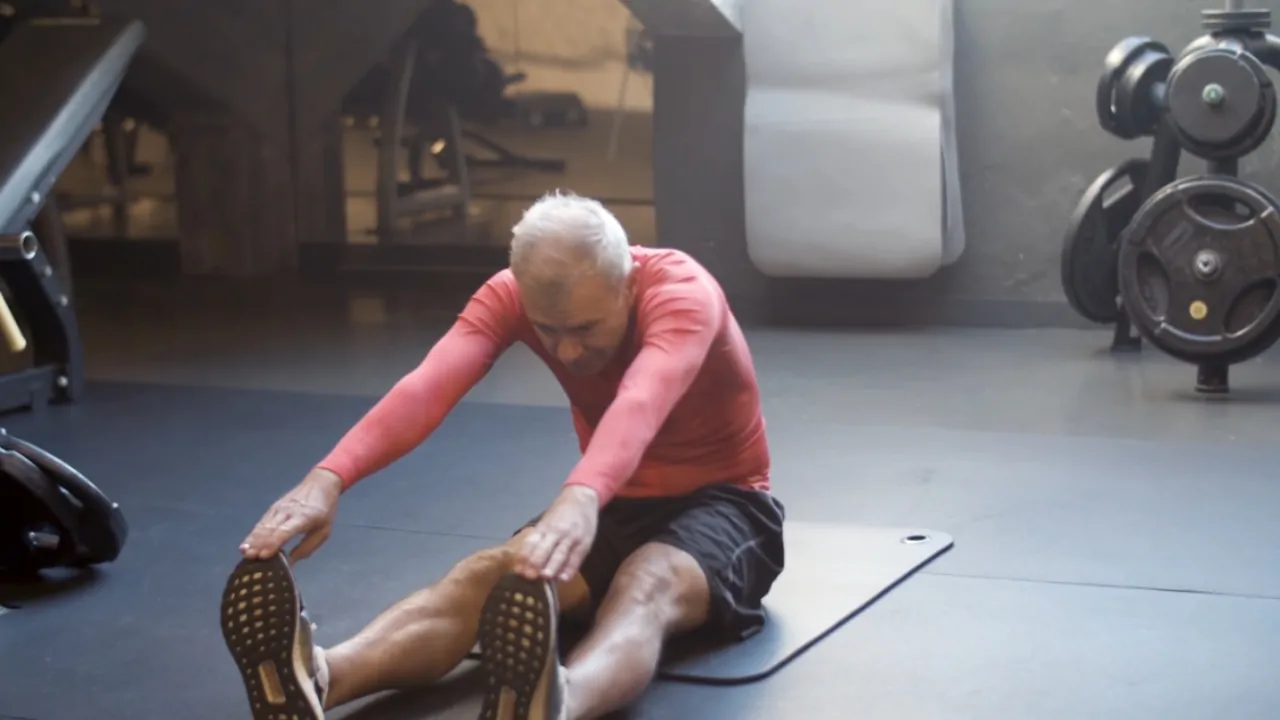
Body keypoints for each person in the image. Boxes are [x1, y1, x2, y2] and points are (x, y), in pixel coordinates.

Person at [220, 192, 786, 720]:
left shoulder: (684, 294)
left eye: (585, 329)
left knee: (647, 581)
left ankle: (557, 703)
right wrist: (329, 477)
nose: (565, 349)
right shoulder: (508, 294)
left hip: (727, 504)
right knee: (488, 575)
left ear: (628, 285)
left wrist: (580, 495)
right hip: (612, 498)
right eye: (548, 330)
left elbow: (643, 399)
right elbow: (428, 387)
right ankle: (319, 677)